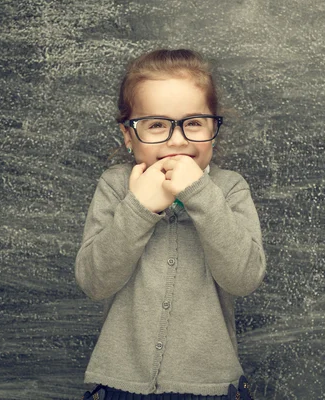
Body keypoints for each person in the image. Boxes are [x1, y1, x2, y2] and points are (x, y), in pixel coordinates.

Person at [75, 49, 266, 400]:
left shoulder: (229, 188)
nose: (177, 140)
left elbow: (244, 278)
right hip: (122, 385)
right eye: (157, 125)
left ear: (213, 130)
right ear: (129, 135)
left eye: (193, 122)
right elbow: (94, 282)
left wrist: (199, 193)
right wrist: (139, 207)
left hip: (210, 388)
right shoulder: (115, 187)